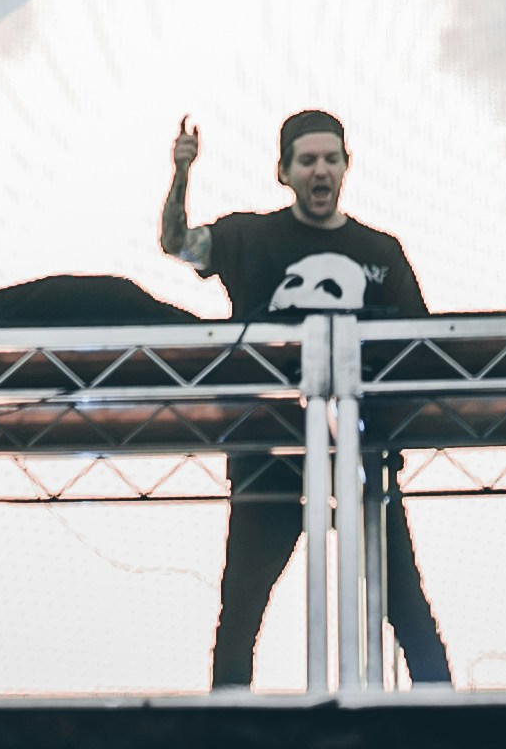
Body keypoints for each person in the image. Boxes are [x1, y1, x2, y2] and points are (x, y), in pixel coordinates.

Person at [161, 109, 451, 688]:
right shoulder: (251, 238)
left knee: (408, 609)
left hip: (363, 459)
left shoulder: (381, 252)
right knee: (240, 615)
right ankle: (230, 732)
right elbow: (177, 244)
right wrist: (182, 172)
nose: (320, 171)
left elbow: (423, 351)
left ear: (346, 166)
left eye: (330, 159)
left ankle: (445, 726)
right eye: (307, 160)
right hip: (267, 457)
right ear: (284, 172)